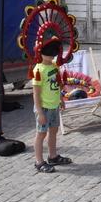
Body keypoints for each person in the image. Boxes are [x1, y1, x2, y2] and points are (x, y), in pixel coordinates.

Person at [32, 38, 71, 173]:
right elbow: (36, 94)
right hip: (43, 108)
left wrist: (61, 99)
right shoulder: (38, 70)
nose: (51, 57)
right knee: (41, 134)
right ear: (40, 52)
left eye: (53, 54)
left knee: (53, 131)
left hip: (54, 106)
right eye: (48, 54)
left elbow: (57, 84)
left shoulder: (54, 66)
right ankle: (39, 161)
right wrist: (40, 112)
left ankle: (53, 156)